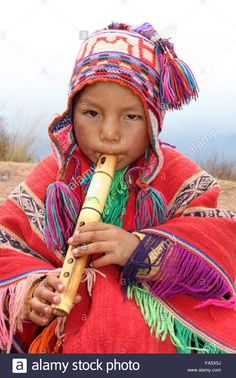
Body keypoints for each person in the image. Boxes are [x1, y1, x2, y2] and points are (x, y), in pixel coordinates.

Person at [0, 22, 235, 354]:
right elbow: (7, 239)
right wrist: (34, 289)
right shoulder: (57, 174)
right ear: (71, 114)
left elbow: (217, 239)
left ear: (153, 122)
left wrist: (137, 247)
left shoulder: (174, 171)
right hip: (61, 330)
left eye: (131, 117)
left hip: (149, 326)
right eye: (92, 113)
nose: (109, 133)